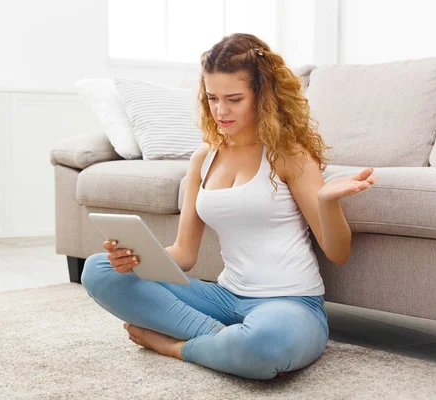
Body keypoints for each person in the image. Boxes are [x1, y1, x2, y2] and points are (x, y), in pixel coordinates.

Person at [80, 33, 379, 380]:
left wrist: (327, 202)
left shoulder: (287, 154)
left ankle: (176, 346)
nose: (220, 111)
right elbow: (184, 254)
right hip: (224, 299)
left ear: (263, 96)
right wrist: (134, 259)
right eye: (212, 98)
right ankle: (226, 343)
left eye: (234, 99)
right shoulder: (203, 160)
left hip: (290, 306)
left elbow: (338, 252)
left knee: (265, 344)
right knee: (99, 270)